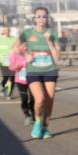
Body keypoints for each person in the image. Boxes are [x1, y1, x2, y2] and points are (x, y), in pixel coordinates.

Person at [17, 7, 63, 139]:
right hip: (34, 70)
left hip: (50, 70)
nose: (41, 19)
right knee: (40, 98)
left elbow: (57, 57)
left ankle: (45, 127)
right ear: (34, 18)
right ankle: (37, 121)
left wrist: (49, 42)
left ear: (47, 18)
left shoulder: (52, 33)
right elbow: (15, 47)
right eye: (38, 16)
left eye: (44, 16)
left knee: (49, 100)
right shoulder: (27, 33)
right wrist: (25, 55)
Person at [9, 44, 34, 125]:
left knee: (33, 99)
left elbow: (33, 62)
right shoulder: (14, 54)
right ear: (19, 46)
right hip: (20, 80)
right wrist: (16, 66)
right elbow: (11, 67)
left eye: (26, 45)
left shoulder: (31, 53)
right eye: (23, 46)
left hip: (32, 79)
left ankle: (33, 115)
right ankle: (27, 115)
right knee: (24, 99)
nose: (25, 47)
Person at [0, 26, 16, 98]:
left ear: (9, 31)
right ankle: (2, 86)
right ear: (3, 32)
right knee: (6, 77)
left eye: (8, 30)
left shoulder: (14, 39)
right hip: (3, 62)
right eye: (5, 30)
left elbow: (19, 48)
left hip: (12, 62)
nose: (6, 31)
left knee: (12, 78)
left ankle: (9, 94)